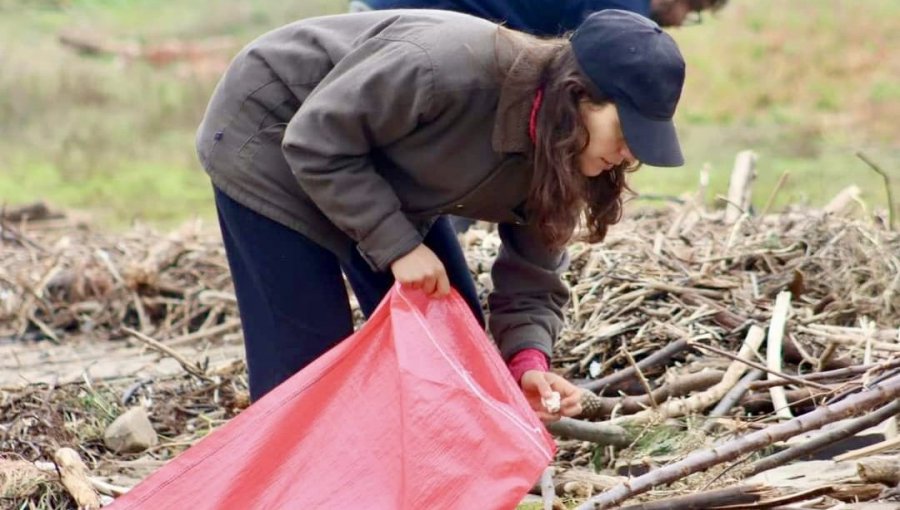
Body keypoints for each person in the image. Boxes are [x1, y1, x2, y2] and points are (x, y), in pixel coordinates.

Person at [196, 9, 686, 421]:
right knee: (308, 367)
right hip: (273, 133)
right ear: (577, 96)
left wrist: (527, 361)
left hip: (375, 166)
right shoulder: (443, 69)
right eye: (626, 132)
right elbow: (314, 141)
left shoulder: (570, 153)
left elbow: (534, 276)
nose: (627, 154)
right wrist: (398, 246)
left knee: (454, 347)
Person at [349, 0, 728, 31]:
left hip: (374, 9)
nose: (679, 22)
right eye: (691, 10)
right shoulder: (627, 11)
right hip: (408, 22)